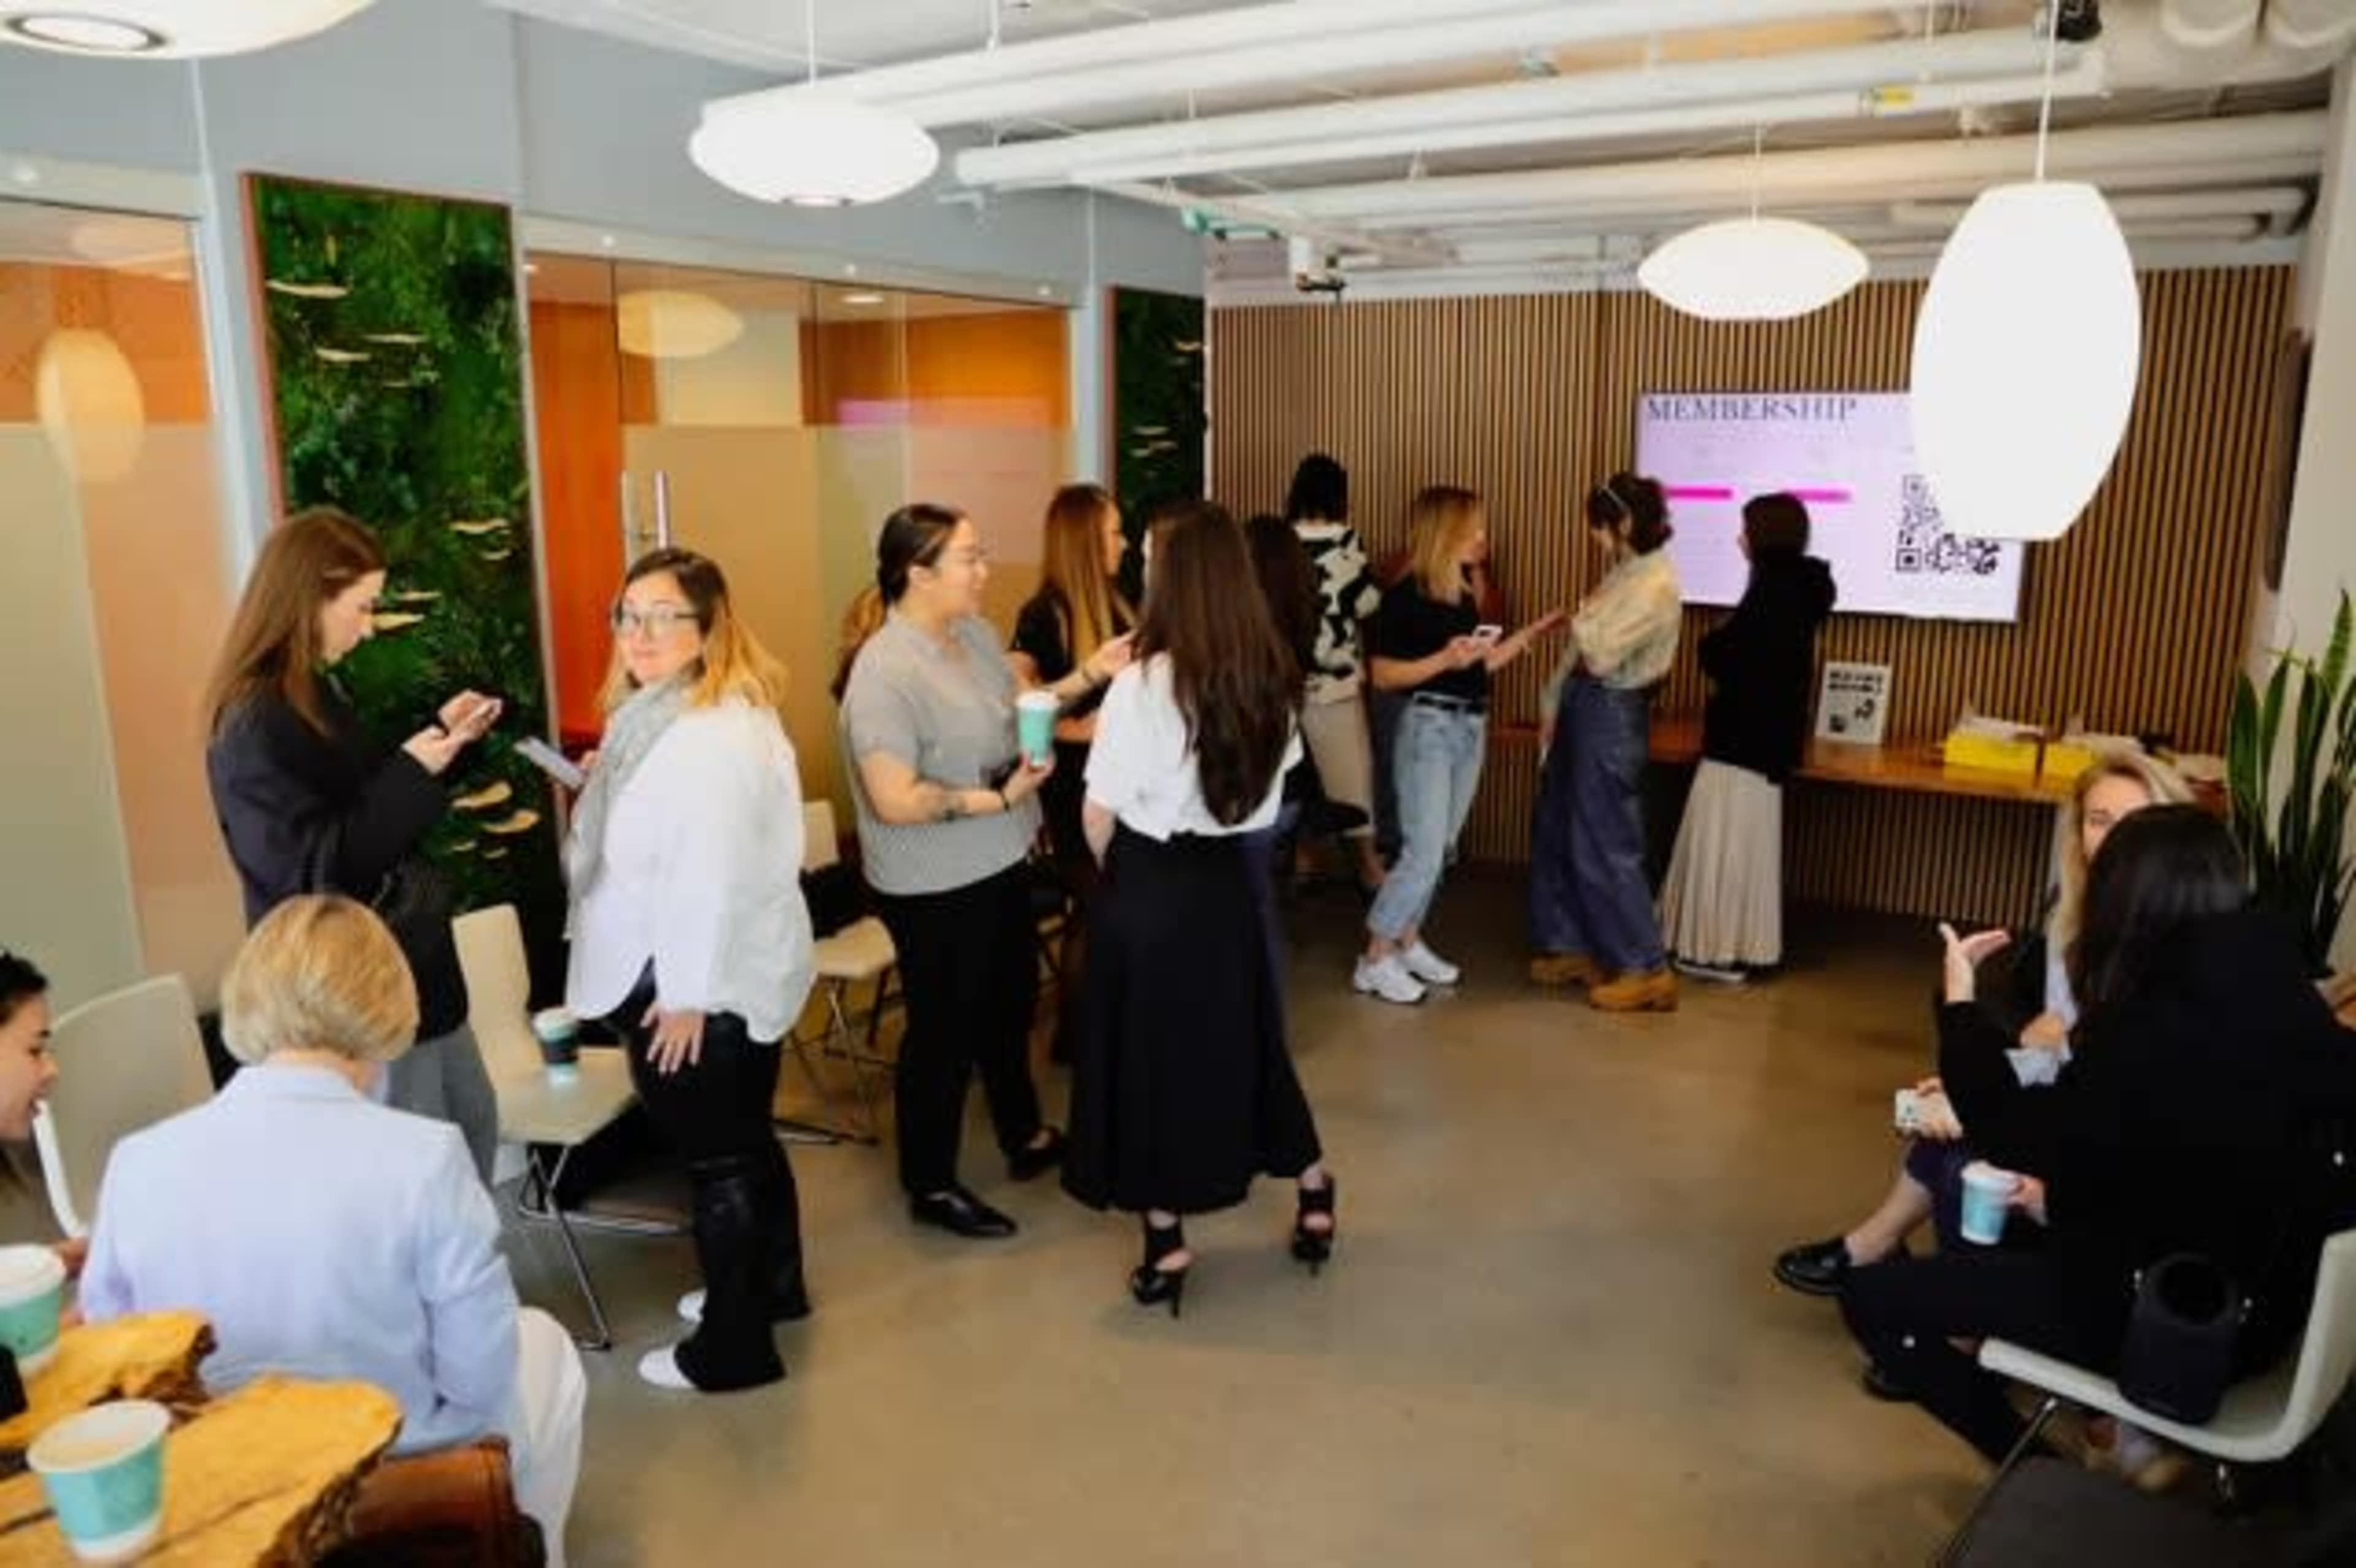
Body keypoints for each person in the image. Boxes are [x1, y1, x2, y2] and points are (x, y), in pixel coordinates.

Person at [1839, 807, 2356, 1464]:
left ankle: (2038, 1472)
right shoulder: (2287, 992)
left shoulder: (2156, 1025)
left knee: (1874, 1298)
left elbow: (2012, 1130)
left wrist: (1961, 1004)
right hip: (2270, 1313)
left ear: (2127, 897)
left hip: (2165, 1325)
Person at [79, 897, 585, 1563]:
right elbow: (479, 1384)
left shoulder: (138, 1162)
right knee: (545, 1346)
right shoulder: (424, 1157)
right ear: (392, 1005)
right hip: (394, 1472)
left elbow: (115, 1365)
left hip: (209, 1483)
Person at [1773, 752, 2195, 1302]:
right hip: (2083, 1113)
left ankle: (1946, 1309)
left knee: (1966, 1153)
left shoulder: (2175, 944)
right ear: (2079, 835)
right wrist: (1988, 1077)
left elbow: (2101, 1077)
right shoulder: (2075, 923)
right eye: (2099, 821)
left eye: (2136, 822)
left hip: (2130, 1154)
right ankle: (1893, 1258)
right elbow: (2062, 1054)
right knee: (1957, 1116)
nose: (2117, 840)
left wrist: (1992, 1078)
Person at [1063, 502, 1334, 1313]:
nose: (1143, 568)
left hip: (1149, 888)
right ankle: (1314, 1186)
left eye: (1150, 556)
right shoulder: (1273, 677)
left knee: (1151, 1065)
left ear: (1175, 577)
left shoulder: (1142, 686)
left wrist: (1132, 879)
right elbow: (1266, 803)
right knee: (1248, 1045)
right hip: (1226, 887)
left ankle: (1167, 1243)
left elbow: (1098, 815)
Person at [838, 504, 1131, 1240]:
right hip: (933, 883)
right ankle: (930, 1184)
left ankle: (1023, 1135)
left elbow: (1019, 707)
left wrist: (1092, 673)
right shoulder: (884, 672)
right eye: (969, 558)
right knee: (941, 1033)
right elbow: (895, 801)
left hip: (997, 858)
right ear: (919, 573)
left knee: (1007, 1005)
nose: (984, 570)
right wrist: (995, 797)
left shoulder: (966, 634)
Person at [564, 547, 815, 1393]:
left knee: (718, 1165)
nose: (639, 634)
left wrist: (687, 999)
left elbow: (705, 876)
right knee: (745, 1145)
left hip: (699, 985)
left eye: (663, 616)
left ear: (709, 628)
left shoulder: (706, 738)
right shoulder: (694, 718)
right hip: (738, 972)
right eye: (627, 615)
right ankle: (770, 1288)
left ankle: (734, 1349)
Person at [203, 505, 501, 1181]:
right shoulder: (254, 723)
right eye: (362, 607)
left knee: (471, 1128)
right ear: (310, 598)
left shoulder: (310, 691)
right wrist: (411, 770)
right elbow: (313, 874)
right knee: (422, 1173)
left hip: (412, 967)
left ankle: (465, 1284)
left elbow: (359, 797)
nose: (368, 628)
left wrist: (440, 740)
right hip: (348, 982)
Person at [1357, 486, 1563, 1005]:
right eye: (1473, 528)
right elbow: (1382, 675)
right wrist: (1443, 661)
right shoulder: (1405, 596)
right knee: (1422, 851)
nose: (1483, 538)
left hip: (1470, 727)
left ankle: (1407, 939)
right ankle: (1377, 955)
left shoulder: (1466, 597)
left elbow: (1477, 666)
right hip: (1428, 729)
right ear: (1446, 533)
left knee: (1440, 849)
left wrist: (1526, 638)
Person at [1658, 493, 1835, 982]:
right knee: (1744, 845)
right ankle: (1733, 946)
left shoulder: (1774, 590)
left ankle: (1714, 950)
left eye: (1745, 529)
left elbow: (1730, 657)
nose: (1738, 538)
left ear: (1763, 535)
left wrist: (1711, 643)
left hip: (1742, 741)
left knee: (1723, 842)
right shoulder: (1800, 589)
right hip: (1766, 743)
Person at [1528, 472, 1684, 1012]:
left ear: (1622, 523)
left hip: (1612, 711)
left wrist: (1580, 613)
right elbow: (1583, 646)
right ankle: (1570, 943)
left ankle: (1646, 966)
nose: (1593, 538)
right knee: (1557, 825)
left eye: (1597, 527)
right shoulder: (1626, 570)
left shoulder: (1655, 583)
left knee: (1607, 838)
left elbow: (1598, 653)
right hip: (1584, 706)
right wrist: (1551, 704)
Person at [1007, 483, 1138, 1063]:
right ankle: (1079, 1036)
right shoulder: (1043, 616)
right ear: (1087, 540)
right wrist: (1079, 729)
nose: (1125, 543)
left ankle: (1098, 1027)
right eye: (1114, 532)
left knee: (1109, 911)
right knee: (1094, 910)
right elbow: (1021, 704)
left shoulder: (1119, 602)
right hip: (1074, 793)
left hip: (1119, 786)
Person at [1286, 455, 1387, 894]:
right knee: (1350, 781)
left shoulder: (1278, 541)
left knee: (1294, 777)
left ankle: (1304, 863)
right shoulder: (1346, 541)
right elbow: (1367, 604)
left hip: (1282, 687)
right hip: (1334, 684)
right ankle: (1368, 867)